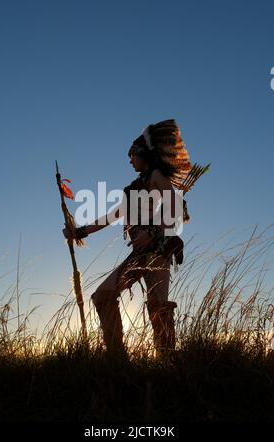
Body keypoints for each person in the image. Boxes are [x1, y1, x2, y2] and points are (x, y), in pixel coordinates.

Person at [63, 119, 192, 358]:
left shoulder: (156, 176)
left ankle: (168, 363)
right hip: (138, 255)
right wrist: (78, 232)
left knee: (158, 306)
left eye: (133, 154)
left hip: (157, 252)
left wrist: (152, 232)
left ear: (144, 153)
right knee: (103, 295)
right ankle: (117, 359)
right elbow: (111, 217)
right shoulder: (134, 188)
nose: (130, 159)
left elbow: (175, 210)